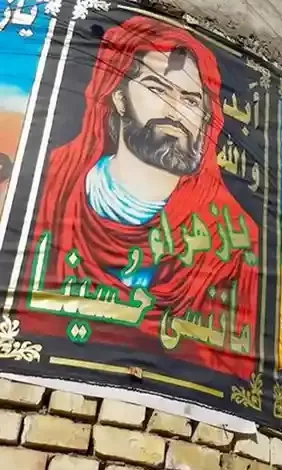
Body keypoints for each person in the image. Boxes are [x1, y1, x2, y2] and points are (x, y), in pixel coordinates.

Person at [21, 16, 259, 379]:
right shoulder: (50, 186)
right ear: (118, 96)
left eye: (190, 100)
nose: (174, 111)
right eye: (157, 89)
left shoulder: (234, 239)